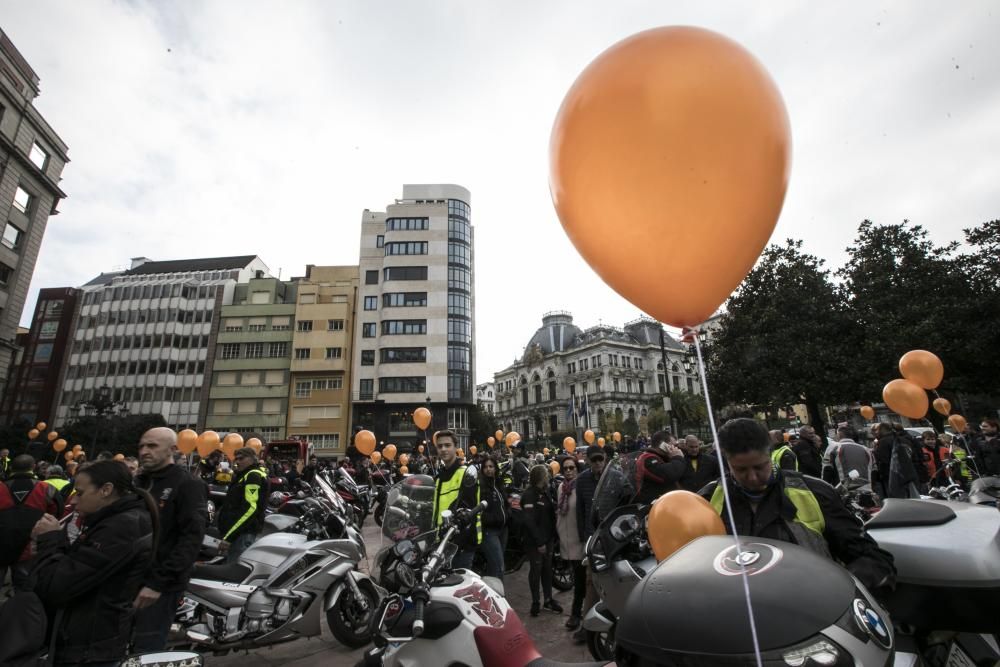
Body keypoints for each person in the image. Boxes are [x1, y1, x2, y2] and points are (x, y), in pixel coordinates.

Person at [701, 418, 895, 595]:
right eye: (741, 469)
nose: (752, 477)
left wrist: (840, 589)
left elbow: (871, 557)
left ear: (770, 454)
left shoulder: (815, 493)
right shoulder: (706, 500)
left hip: (810, 614)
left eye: (760, 467)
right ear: (726, 463)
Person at [30, 459, 157, 666]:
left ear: (106, 490)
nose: (74, 502)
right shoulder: (114, 521)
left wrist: (50, 541)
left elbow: (59, 585)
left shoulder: (120, 528)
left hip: (90, 646)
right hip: (89, 639)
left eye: (80, 493)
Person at [132, 427, 208, 651]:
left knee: (146, 648)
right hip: (128, 578)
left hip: (159, 585)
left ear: (173, 450)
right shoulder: (138, 483)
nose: (144, 451)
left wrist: (159, 583)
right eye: (142, 446)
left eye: (153, 446)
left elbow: (191, 537)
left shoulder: (188, 484)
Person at [0, 455, 63, 590]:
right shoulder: (47, 488)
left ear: (11, 468)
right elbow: (57, 514)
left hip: (1, 544)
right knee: (24, 590)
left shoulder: (0, 487)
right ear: (33, 467)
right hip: (30, 547)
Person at [431, 430, 480, 569]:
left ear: (455, 447)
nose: (443, 449)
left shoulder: (466, 473)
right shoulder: (438, 478)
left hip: (461, 543)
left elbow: (469, 508)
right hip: (442, 542)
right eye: (440, 446)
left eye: (447, 445)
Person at [572, 446, 606, 643]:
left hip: (610, 536)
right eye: (594, 460)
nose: (598, 464)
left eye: (600, 460)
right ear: (588, 461)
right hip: (592, 538)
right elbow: (580, 511)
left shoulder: (615, 476)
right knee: (590, 581)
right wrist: (583, 536)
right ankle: (587, 626)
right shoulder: (582, 479)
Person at [521, 464, 562, 617]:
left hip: (548, 538)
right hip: (536, 542)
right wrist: (539, 543)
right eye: (546, 474)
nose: (549, 477)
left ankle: (548, 599)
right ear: (539, 477)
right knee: (536, 570)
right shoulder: (529, 495)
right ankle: (535, 602)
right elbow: (529, 521)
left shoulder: (544, 492)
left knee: (547, 569)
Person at [218, 447, 268, 562]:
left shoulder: (253, 476)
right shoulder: (244, 475)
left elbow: (250, 509)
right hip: (239, 534)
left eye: (241, 458)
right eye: (236, 459)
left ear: (252, 459)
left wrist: (230, 537)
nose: (237, 462)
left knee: (233, 573)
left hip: (242, 535)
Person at [555, 455, 585, 630]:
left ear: (577, 469)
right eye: (565, 468)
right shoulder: (561, 488)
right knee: (578, 578)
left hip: (579, 540)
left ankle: (575, 614)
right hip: (567, 541)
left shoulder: (580, 487)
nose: (568, 471)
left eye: (571, 468)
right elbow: (560, 513)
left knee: (581, 580)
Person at [633, 430, 686, 504]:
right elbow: (669, 475)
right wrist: (677, 457)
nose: (677, 449)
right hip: (653, 507)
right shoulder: (647, 458)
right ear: (663, 445)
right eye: (674, 445)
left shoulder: (662, 458)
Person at [478, 455, 508, 582]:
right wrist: (491, 519)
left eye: (491, 466)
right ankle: (499, 598)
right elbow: (477, 508)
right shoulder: (480, 485)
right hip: (489, 532)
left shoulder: (498, 483)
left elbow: (504, 503)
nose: (488, 469)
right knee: (498, 567)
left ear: (496, 468)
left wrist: (508, 514)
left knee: (495, 566)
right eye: (485, 467)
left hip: (503, 529)